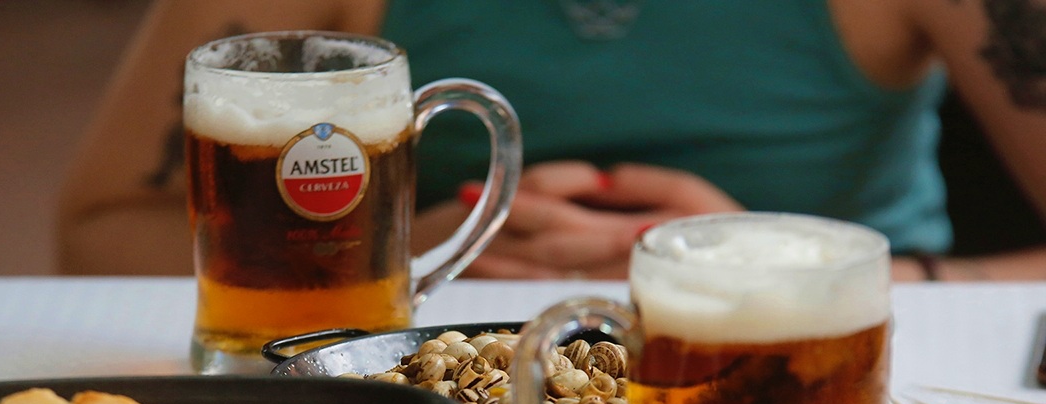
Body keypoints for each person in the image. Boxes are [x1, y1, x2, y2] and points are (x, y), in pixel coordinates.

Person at [57, 0, 1046, 281]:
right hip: (429, 399)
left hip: (843, 389)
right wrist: (396, 252)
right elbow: (100, 234)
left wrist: (787, 271)